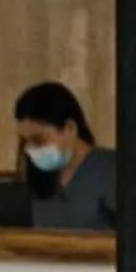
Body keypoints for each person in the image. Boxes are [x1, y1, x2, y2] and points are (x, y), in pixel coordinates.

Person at [15, 78, 119, 232]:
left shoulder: (113, 170)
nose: (30, 149)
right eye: (25, 141)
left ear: (70, 128)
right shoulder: (40, 179)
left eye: (38, 140)